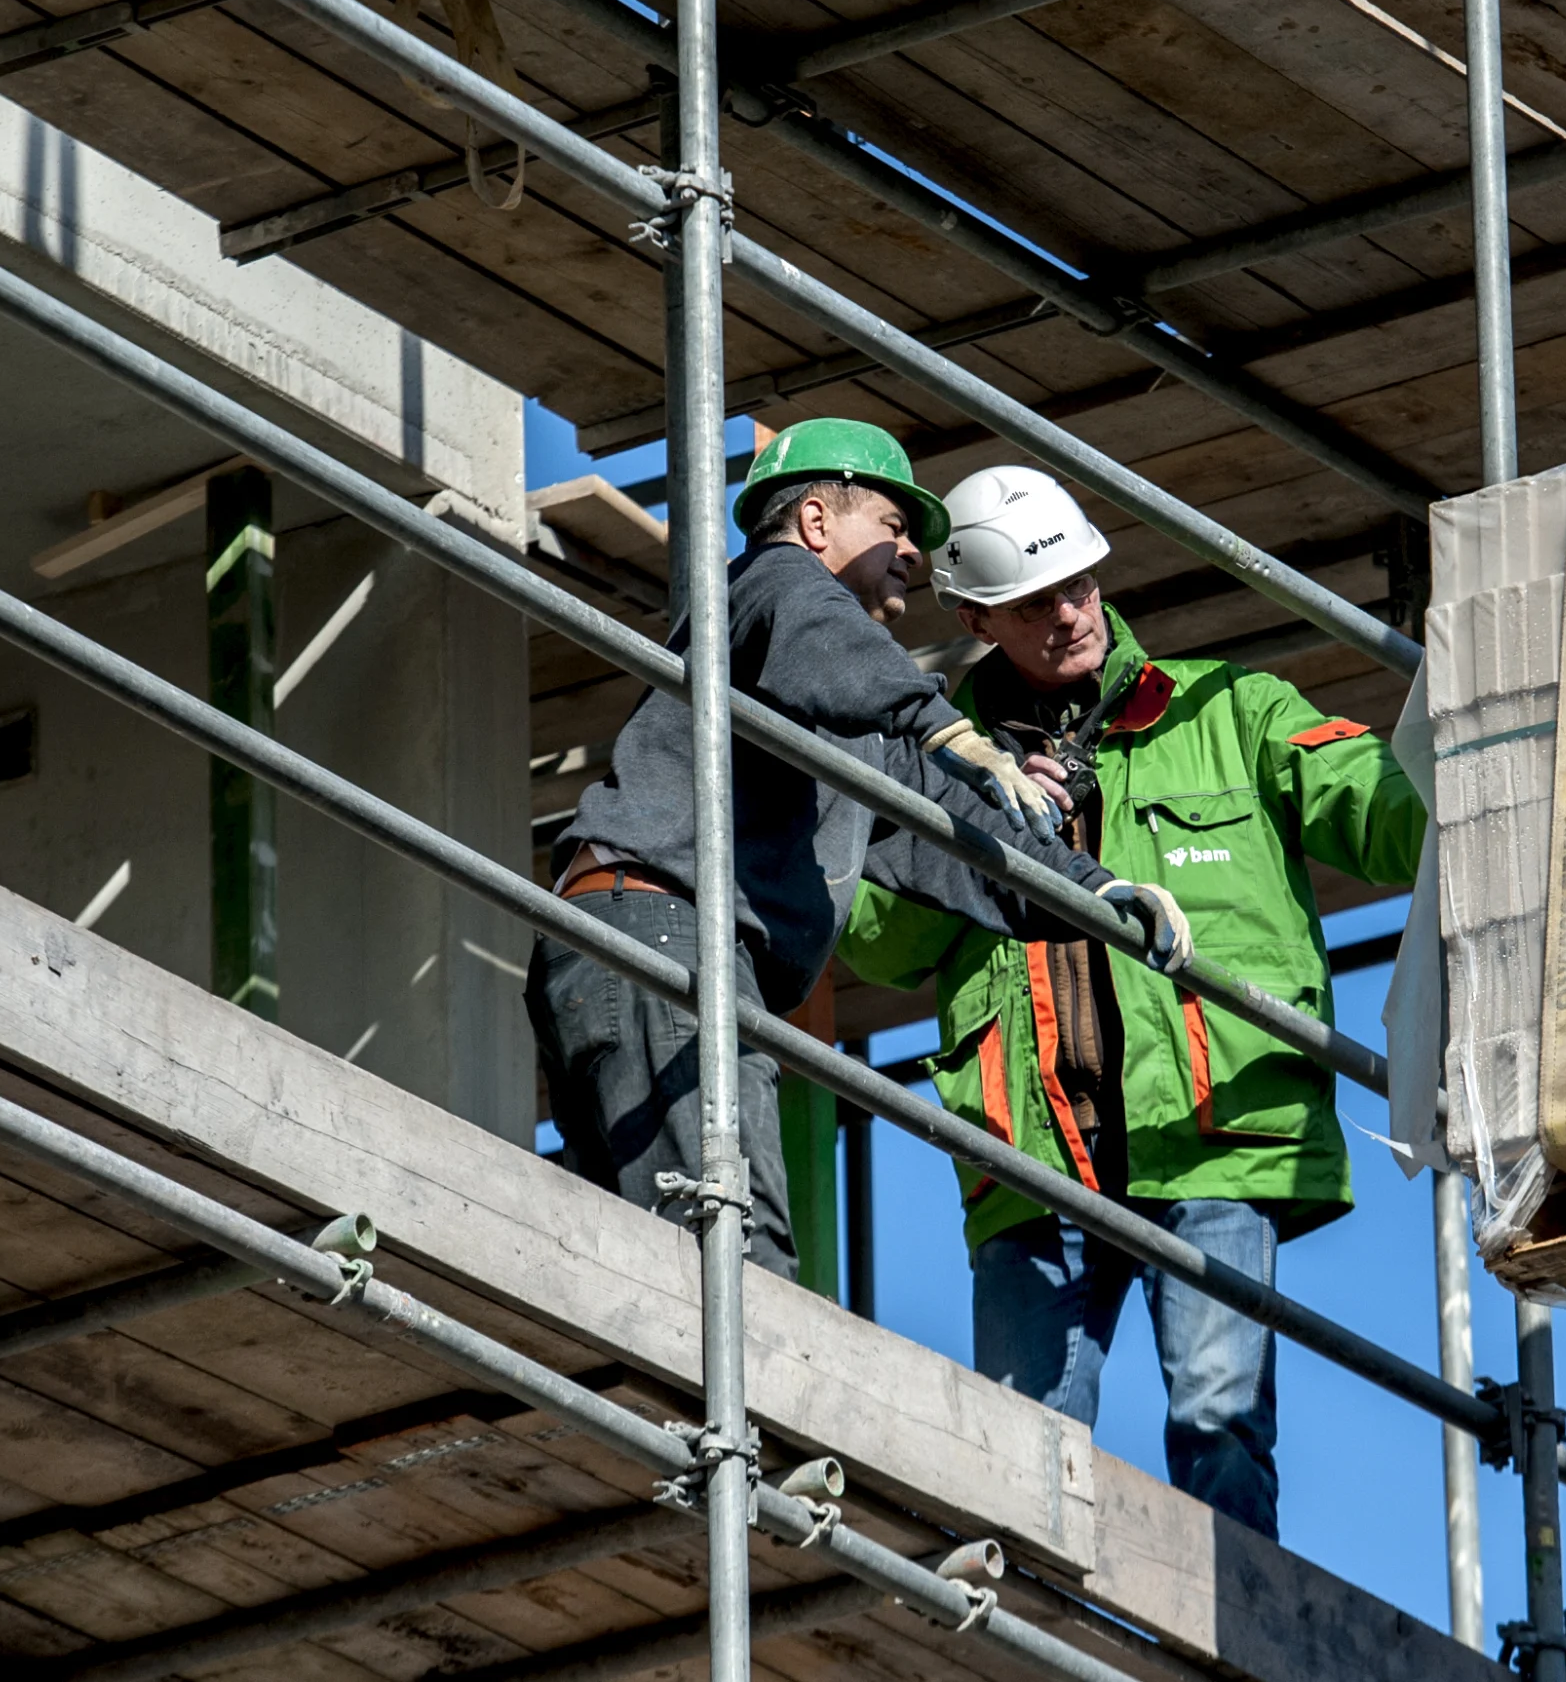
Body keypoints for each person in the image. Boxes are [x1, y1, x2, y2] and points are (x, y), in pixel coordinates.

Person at [836, 464, 1426, 1535]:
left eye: (1078, 585)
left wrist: (1492, 774)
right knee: (1024, 1446)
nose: (1067, 614)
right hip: (1032, 1152)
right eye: (1032, 602)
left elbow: (1381, 810)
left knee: (1220, 1420)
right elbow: (881, 945)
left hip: (1210, 1132)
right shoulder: (936, 762)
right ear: (974, 616)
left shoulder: (1230, 710)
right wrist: (965, 817)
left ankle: (1231, 1646)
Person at [529, 420, 1192, 1278]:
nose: (913, 554)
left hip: (636, 948)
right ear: (815, 521)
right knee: (729, 1245)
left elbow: (953, 831)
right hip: (658, 935)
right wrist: (947, 724)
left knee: (643, 1256)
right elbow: (827, 634)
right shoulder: (771, 587)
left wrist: (1095, 894)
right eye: (892, 525)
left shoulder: (844, 716)